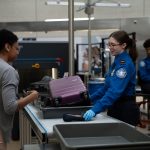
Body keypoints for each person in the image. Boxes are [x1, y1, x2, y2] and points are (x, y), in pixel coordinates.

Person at [83, 30, 140, 126]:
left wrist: (95, 109)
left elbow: (114, 91)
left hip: (125, 110)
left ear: (123, 45)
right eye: (109, 45)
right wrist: (89, 99)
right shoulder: (117, 62)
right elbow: (106, 88)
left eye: (113, 45)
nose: (110, 48)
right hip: (115, 107)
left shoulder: (124, 65)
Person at [0, 29, 39, 150]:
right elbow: (10, 107)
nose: (18, 52)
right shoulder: (8, 71)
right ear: (7, 46)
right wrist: (32, 96)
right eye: (16, 48)